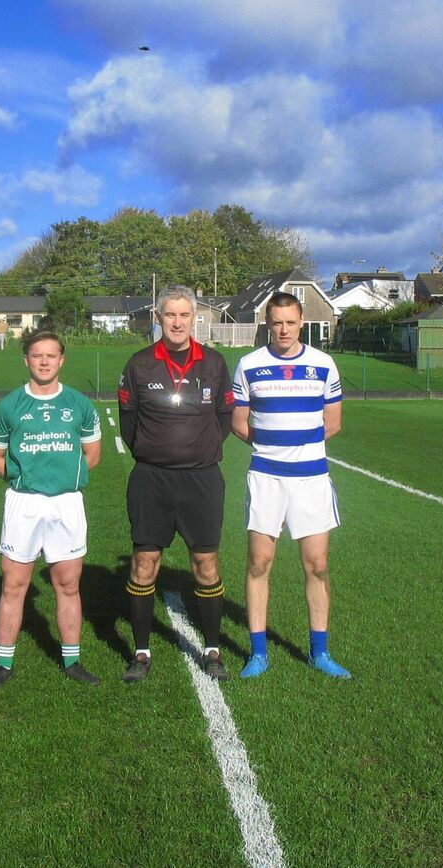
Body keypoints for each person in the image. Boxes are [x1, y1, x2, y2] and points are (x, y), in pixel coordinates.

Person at [117, 284, 234, 682]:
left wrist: (197, 451)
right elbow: (128, 422)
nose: (178, 322)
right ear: (158, 318)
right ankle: (141, 651)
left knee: (205, 562)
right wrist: (157, 452)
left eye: (185, 315)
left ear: (195, 318)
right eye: (170, 315)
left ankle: (213, 647)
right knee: (144, 562)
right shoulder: (138, 364)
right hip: (151, 480)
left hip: (201, 480)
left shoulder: (215, 364)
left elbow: (223, 419)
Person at [232, 292, 349, 679]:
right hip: (266, 478)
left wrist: (299, 449)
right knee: (259, 563)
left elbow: (332, 423)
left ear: (302, 322)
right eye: (276, 322)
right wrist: (270, 447)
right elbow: (239, 422)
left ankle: (320, 652)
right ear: (268, 323)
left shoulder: (323, 364)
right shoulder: (250, 365)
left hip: (311, 480)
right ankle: (259, 653)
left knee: (316, 566)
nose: (283, 329)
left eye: (290, 322)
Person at [0, 330, 102, 690]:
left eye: (51, 356)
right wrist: (25, 480)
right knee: (14, 584)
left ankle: (72, 661)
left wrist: (61, 478)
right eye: (37, 356)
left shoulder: (79, 404)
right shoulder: (8, 406)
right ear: (27, 361)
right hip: (24, 504)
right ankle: (4, 665)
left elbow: (92, 456)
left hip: (67, 503)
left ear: (61, 360)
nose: (45, 362)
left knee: (67, 583)